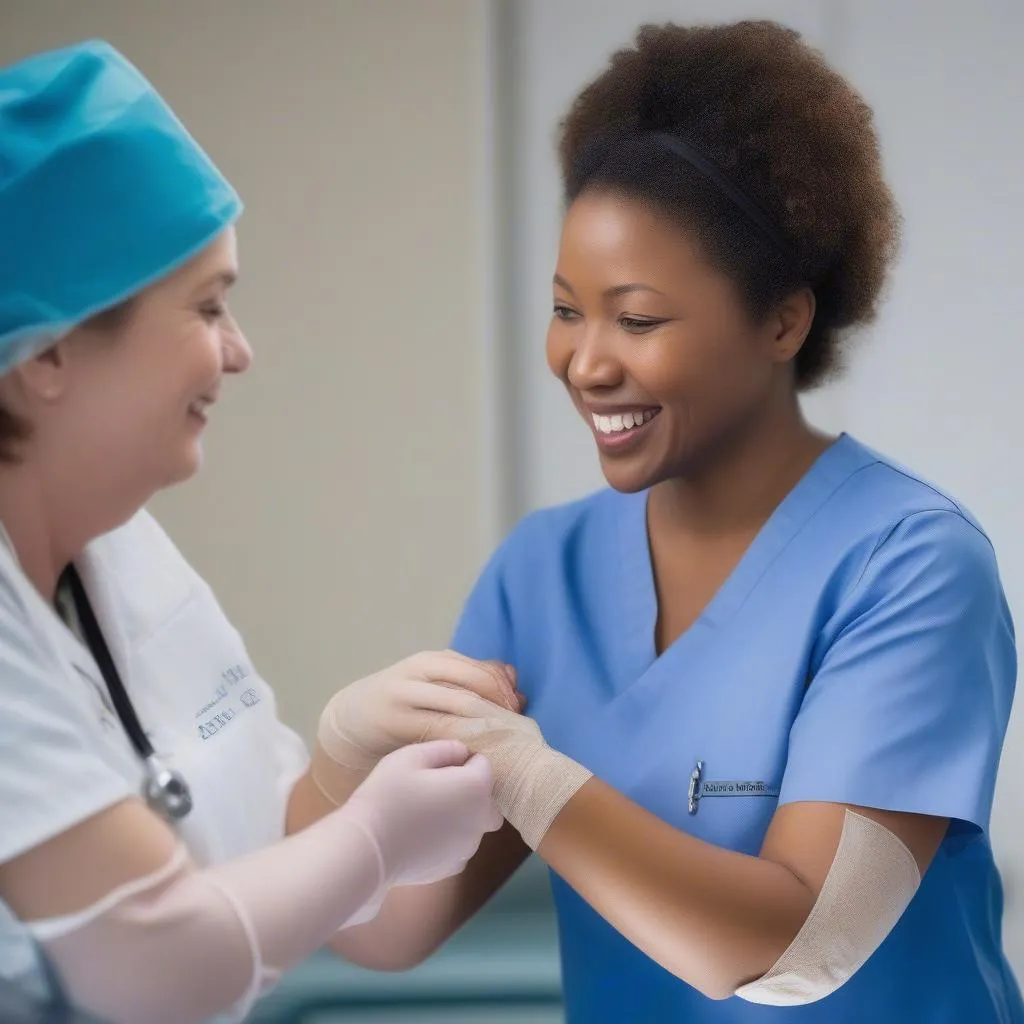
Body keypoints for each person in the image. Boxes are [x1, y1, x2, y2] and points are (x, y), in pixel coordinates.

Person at [301, 19, 1024, 1023]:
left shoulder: (908, 565)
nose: (585, 362)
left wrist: (533, 778)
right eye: (566, 310)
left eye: (637, 318)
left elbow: (808, 947)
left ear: (781, 319)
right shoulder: (539, 575)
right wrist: (341, 762)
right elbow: (383, 928)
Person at [0, 39, 525, 1024]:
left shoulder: (118, 550)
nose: (240, 352)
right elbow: (155, 965)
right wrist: (370, 830)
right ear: (51, 350)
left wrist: (352, 770)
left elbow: (352, 913)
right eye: (207, 307)